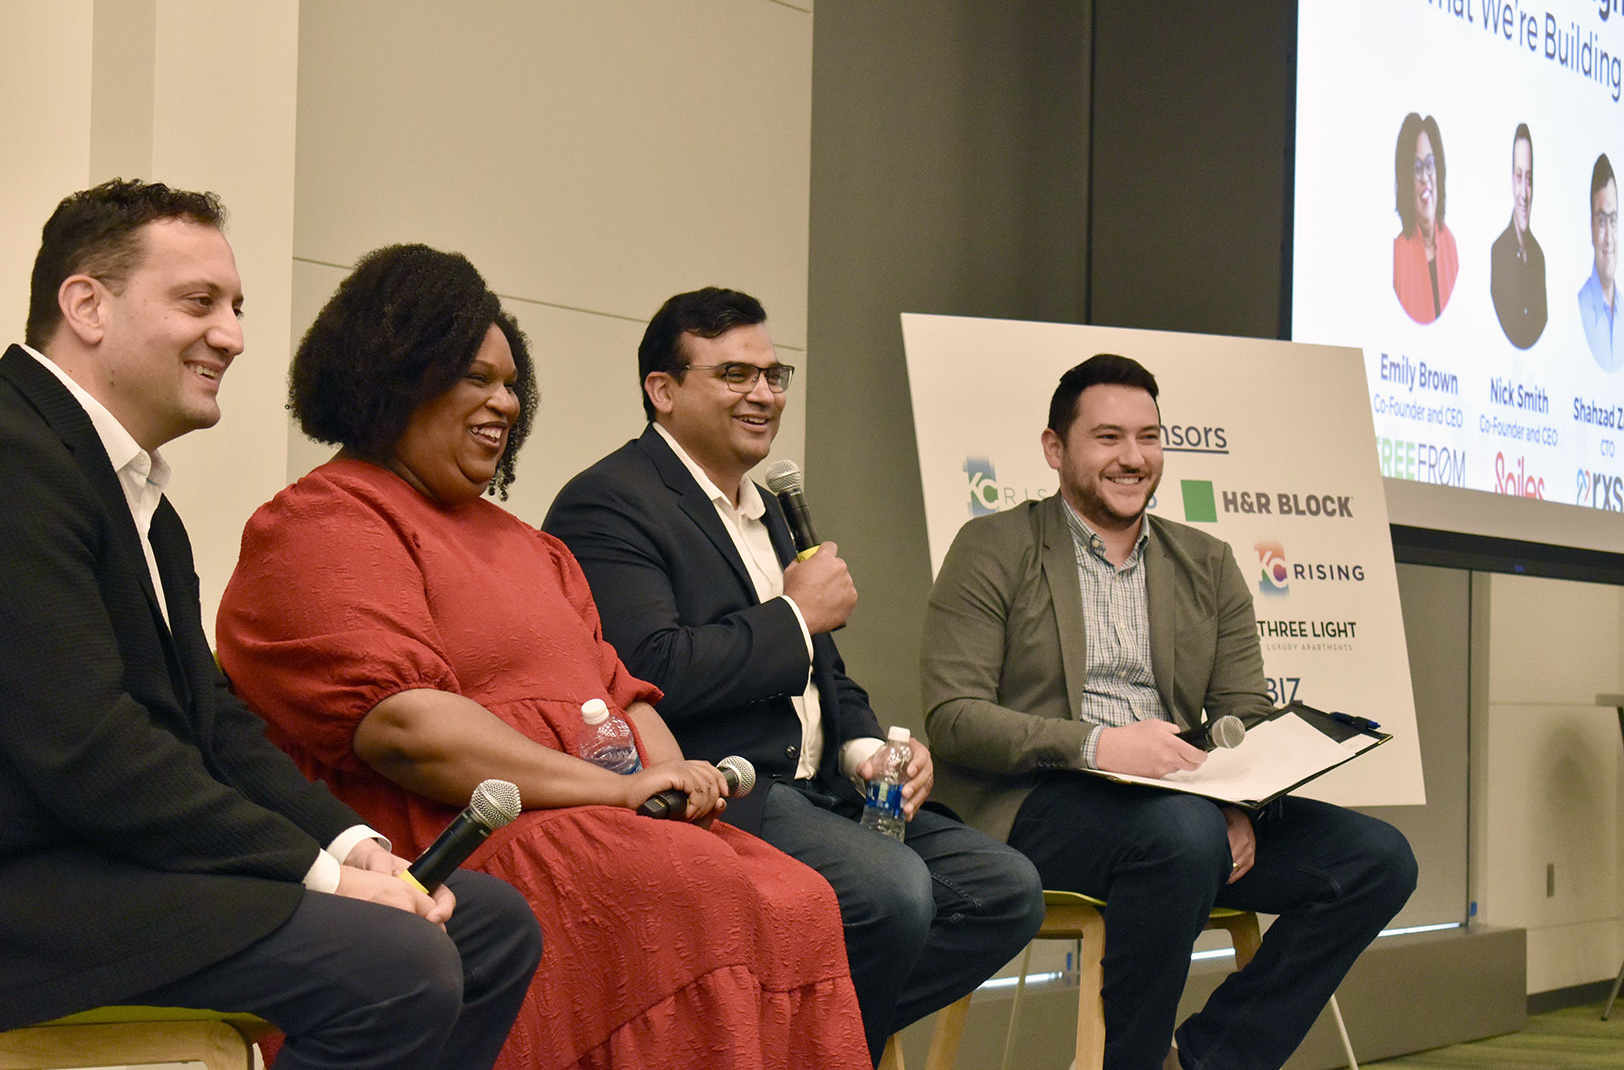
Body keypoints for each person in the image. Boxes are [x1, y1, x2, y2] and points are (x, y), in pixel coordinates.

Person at [216, 248, 869, 1070]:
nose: (503, 402)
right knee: (682, 892)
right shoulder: (321, 520)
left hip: (610, 817)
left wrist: (676, 782)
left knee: (798, 898)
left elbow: (624, 694)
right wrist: (618, 790)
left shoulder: (535, 548)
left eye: (511, 382)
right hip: (455, 835)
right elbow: (409, 731)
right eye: (473, 377)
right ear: (392, 375)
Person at [0, 181, 540, 1070]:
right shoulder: (17, 456)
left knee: (490, 923)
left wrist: (357, 849)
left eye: (237, 307)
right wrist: (317, 878)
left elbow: (216, 723)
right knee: (399, 964)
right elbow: (90, 751)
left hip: (113, 865)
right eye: (198, 302)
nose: (234, 335)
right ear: (86, 304)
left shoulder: (136, 494)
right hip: (37, 892)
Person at [543, 286, 1044, 1061]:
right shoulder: (609, 502)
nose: (764, 394)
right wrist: (792, 616)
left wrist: (869, 751)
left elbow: (825, 673)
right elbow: (649, 668)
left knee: (1002, 890)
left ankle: (795, 1042)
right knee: (892, 892)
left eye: (775, 376)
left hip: (826, 791)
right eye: (736, 374)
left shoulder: (769, 505)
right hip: (729, 790)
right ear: (663, 390)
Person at [921, 354, 1417, 1070]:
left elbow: (1246, 713)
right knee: (1182, 836)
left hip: (1185, 801)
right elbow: (954, 716)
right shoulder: (994, 547)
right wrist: (1098, 745)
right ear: (1055, 449)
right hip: (1038, 802)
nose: (1133, 458)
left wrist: (1240, 805)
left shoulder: (1207, 561)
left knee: (1376, 860)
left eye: (1148, 436)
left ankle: (1204, 1058)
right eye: (1108, 437)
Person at [1393, 112, 1458, 324]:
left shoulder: (1450, 244)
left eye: (1430, 164)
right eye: (1416, 168)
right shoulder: (1397, 254)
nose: (1425, 177)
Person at [1490, 123, 1547, 349]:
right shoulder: (1498, 252)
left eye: (1529, 180)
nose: (1524, 193)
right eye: (1519, 176)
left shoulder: (1539, 258)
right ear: (1511, 180)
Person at [1579, 154, 1621, 372]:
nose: (1608, 237)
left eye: (1613, 220)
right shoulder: (1580, 306)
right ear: (1591, 227)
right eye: (1602, 220)